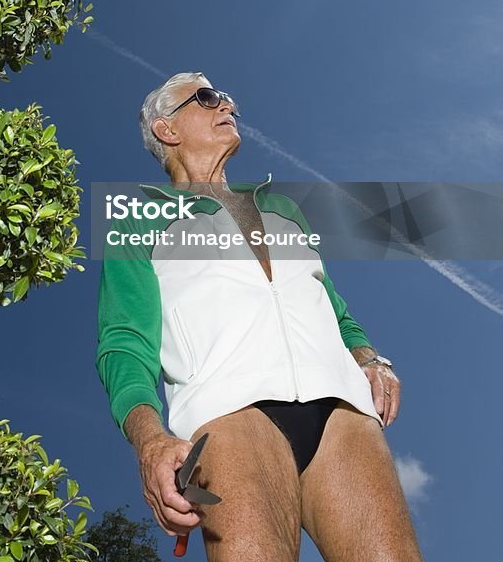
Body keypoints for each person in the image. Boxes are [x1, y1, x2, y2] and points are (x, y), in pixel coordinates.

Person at [96, 73, 423, 561]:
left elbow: (334, 308)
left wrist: (370, 357)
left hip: (342, 409)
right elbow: (124, 341)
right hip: (230, 415)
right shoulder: (137, 217)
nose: (226, 103)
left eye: (225, 96)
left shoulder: (284, 208)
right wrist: (151, 442)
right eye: (207, 98)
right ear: (167, 130)